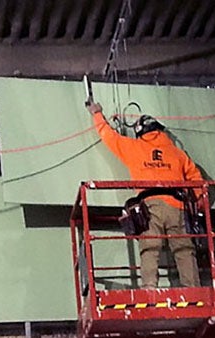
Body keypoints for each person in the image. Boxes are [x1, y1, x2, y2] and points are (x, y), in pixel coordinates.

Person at [86, 101, 202, 289]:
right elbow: (196, 179)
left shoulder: (134, 147)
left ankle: (149, 288)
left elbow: (109, 136)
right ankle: (193, 289)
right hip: (176, 204)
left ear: (140, 132)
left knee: (150, 247)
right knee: (184, 249)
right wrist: (197, 201)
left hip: (150, 205)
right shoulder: (176, 153)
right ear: (160, 131)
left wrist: (97, 114)